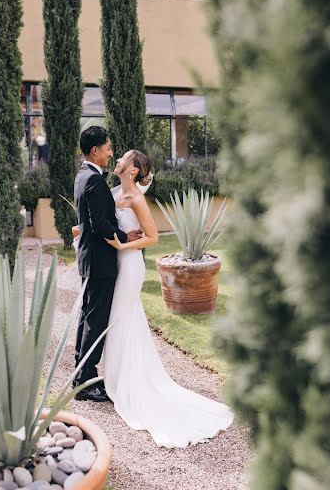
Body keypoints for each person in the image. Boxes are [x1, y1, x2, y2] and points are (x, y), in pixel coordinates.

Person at [103, 149, 234, 447]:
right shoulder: (115, 193)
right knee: (123, 319)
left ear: (134, 170)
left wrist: (121, 246)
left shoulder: (136, 198)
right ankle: (117, 376)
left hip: (130, 265)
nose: (118, 161)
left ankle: (127, 382)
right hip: (119, 263)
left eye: (123, 159)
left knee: (122, 318)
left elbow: (153, 237)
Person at [73, 127, 142, 402]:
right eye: (108, 148)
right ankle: (87, 381)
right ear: (95, 151)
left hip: (89, 259)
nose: (111, 152)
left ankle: (81, 374)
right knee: (96, 320)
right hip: (100, 262)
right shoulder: (95, 181)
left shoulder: (82, 176)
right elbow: (100, 224)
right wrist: (125, 238)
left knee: (87, 317)